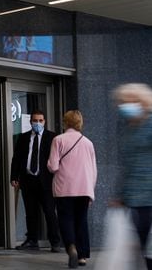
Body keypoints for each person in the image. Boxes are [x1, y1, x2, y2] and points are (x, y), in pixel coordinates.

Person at [47, 110, 97, 268]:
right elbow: (93, 169)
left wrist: (50, 165)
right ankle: (82, 256)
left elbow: (53, 166)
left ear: (65, 122)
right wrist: (91, 191)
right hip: (84, 188)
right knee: (81, 220)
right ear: (80, 123)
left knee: (66, 219)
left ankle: (72, 247)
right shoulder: (88, 143)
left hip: (64, 188)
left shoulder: (58, 140)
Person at [112, 83, 152, 270]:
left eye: (130, 101)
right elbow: (128, 165)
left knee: (151, 249)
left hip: (150, 198)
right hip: (134, 200)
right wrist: (120, 195)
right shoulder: (130, 128)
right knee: (143, 248)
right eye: (122, 102)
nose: (125, 106)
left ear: (143, 102)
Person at [10, 110, 60, 252]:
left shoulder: (52, 137)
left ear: (44, 121)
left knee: (49, 212)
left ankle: (55, 242)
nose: (37, 123)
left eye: (40, 120)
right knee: (30, 213)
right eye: (34, 120)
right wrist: (14, 177)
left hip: (46, 182)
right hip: (28, 180)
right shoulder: (23, 137)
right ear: (30, 121)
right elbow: (17, 159)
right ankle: (32, 240)